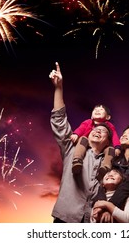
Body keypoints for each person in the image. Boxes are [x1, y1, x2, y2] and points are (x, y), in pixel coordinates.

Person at [49, 62, 113, 222]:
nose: (99, 130)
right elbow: (59, 121)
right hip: (65, 219)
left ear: (108, 142)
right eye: (96, 130)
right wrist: (58, 88)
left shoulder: (111, 162)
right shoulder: (72, 149)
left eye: (104, 131)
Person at [71, 104, 121, 180]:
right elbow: (81, 128)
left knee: (110, 149)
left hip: (102, 147)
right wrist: (76, 134)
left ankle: (105, 168)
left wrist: (117, 147)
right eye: (95, 109)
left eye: (101, 110)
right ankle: (77, 160)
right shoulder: (88, 122)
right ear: (91, 116)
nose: (97, 110)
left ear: (108, 117)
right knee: (83, 139)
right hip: (86, 143)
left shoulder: (109, 125)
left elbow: (114, 136)